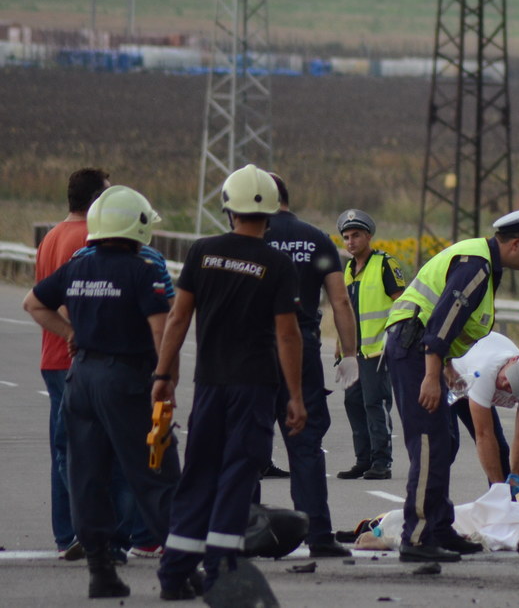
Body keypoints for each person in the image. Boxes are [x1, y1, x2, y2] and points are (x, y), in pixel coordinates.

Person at [153, 164, 306, 599]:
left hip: (210, 385)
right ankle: (220, 570)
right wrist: (295, 396)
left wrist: (163, 375)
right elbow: (287, 333)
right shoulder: (276, 264)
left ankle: (174, 573)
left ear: (228, 209)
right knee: (238, 474)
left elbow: (178, 317)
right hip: (255, 387)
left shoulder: (202, 252)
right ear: (272, 214)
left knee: (198, 472)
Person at [23, 185, 180, 598]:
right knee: (156, 470)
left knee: (87, 473)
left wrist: (71, 333)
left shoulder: (78, 266)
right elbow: (162, 331)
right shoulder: (143, 270)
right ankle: (179, 570)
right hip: (126, 380)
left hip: (81, 379)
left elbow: (33, 304)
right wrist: (166, 381)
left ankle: (101, 570)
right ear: (139, 226)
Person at [383, 203, 519, 563]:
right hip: (414, 347)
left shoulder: (485, 266)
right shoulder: (477, 266)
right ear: (516, 244)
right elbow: (443, 321)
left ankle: (439, 528)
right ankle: (419, 535)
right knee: (428, 442)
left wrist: (443, 369)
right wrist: (431, 373)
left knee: (442, 439)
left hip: (423, 351)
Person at [263, 173, 359, 558]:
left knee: (249, 447)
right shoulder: (316, 238)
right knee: (305, 446)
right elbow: (340, 302)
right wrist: (350, 353)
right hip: (301, 348)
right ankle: (318, 534)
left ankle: (244, 533)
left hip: (254, 351)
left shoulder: (252, 238)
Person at [34, 167, 108, 562]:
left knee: (62, 446)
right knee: (79, 450)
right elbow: (70, 297)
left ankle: (66, 533)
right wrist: (76, 333)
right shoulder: (83, 238)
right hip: (72, 358)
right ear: (96, 200)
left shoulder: (51, 236)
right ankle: (84, 530)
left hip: (52, 355)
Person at [335, 209, 406, 481]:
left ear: (368, 236)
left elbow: (402, 302)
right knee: (354, 403)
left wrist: (395, 341)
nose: (351, 242)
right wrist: (341, 347)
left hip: (379, 350)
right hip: (355, 352)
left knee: (375, 405)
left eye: (356, 236)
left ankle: (381, 462)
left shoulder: (385, 264)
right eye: (346, 237)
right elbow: (348, 311)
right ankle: (362, 460)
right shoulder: (350, 269)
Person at [447, 332, 519, 496]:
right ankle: (430, 506)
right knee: (446, 445)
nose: (504, 384)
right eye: (507, 377)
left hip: (470, 388)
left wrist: (516, 477)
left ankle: (507, 503)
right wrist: (498, 487)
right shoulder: (486, 369)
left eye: (510, 388)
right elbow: (484, 435)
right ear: (513, 360)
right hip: (449, 376)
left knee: (500, 450)